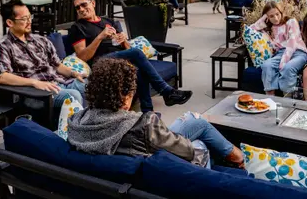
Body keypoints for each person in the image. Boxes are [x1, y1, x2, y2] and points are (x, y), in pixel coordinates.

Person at [68, 58, 244, 168]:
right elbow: (190, 153)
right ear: (127, 96)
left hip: (138, 151)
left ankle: (235, 156)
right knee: (200, 144)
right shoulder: (144, 125)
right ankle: (239, 159)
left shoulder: (78, 121)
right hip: (158, 165)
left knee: (193, 120)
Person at [68, 0, 192, 112]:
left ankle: (148, 112)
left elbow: (128, 49)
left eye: (84, 4)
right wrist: (100, 37)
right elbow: (83, 56)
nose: (81, 9)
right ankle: (166, 91)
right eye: (77, 7)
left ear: (93, 3)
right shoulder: (78, 28)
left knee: (138, 70)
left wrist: (123, 41)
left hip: (119, 61)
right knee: (137, 53)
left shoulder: (109, 22)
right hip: (100, 63)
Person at [0, 0, 88, 109]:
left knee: (90, 84)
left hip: (58, 83)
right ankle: (79, 125)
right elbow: (2, 77)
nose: (29, 21)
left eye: (29, 17)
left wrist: (74, 74)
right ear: (10, 23)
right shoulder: (3, 46)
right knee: (72, 95)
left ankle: (99, 123)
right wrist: (34, 83)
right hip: (34, 94)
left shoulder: (40, 40)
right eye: (24, 19)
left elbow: (57, 65)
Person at [251, 1, 307, 95]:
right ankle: (271, 97)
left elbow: (292, 44)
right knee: (266, 65)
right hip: (280, 54)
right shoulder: (269, 27)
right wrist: (263, 19)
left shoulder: (291, 21)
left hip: (298, 52)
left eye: (277, 14)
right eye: (271, 16)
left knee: (287, 68)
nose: (276, 18)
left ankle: (288, 98)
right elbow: (252, 29)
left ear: (281, 12)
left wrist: (283, 62)